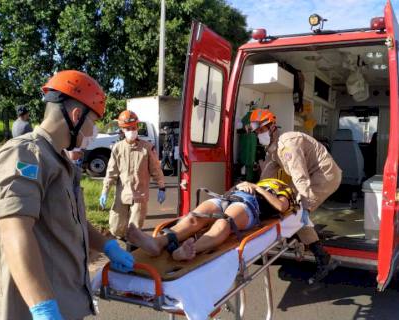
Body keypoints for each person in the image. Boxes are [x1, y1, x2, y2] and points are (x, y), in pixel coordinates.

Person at [0, 70, 134, 320]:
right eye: (93, 122)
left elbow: (70, 219)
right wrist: (43, 309)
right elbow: (14, 231)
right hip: (27, 311)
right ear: (76, 116)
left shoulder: (58, 160)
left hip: (64, 302)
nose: (94, 131)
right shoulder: (24, 155)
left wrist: (107, 246)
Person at [249, 108, 342, 284]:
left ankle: (325, 260)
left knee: (296, 212)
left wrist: (304, 206)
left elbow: (300, 176)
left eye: (262, 130)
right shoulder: (274, 148)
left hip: (325, 175)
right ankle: (306, 242)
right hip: (312, 175)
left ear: (272, 126)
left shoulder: (288, 144)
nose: (259, 134)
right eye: (257, 132)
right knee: (294, 207)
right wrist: (257, 191)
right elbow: (268, 172)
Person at [127, 178, 297, 261]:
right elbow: (231, 190)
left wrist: (256, 188)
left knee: (224, 223)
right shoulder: (262, 180)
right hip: (229, 197)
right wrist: (240, 186)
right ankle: (158, 243)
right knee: (194, 217)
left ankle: (189, 250)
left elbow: (281, 207)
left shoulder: (285, 190)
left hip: (250, 206)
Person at [99, 110, 166, 239]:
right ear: (123, 130)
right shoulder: (117, 148)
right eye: (128, 128)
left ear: (137, 128)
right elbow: (111, 172)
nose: (132, 131)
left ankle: (132, 249)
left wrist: (161, 187)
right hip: (122, 193)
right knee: (116, 227)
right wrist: (105, 191)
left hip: (140, 194)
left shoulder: (147, 148)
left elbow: (156, 169)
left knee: (134, 229)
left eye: (134, 128)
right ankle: (122, 240)